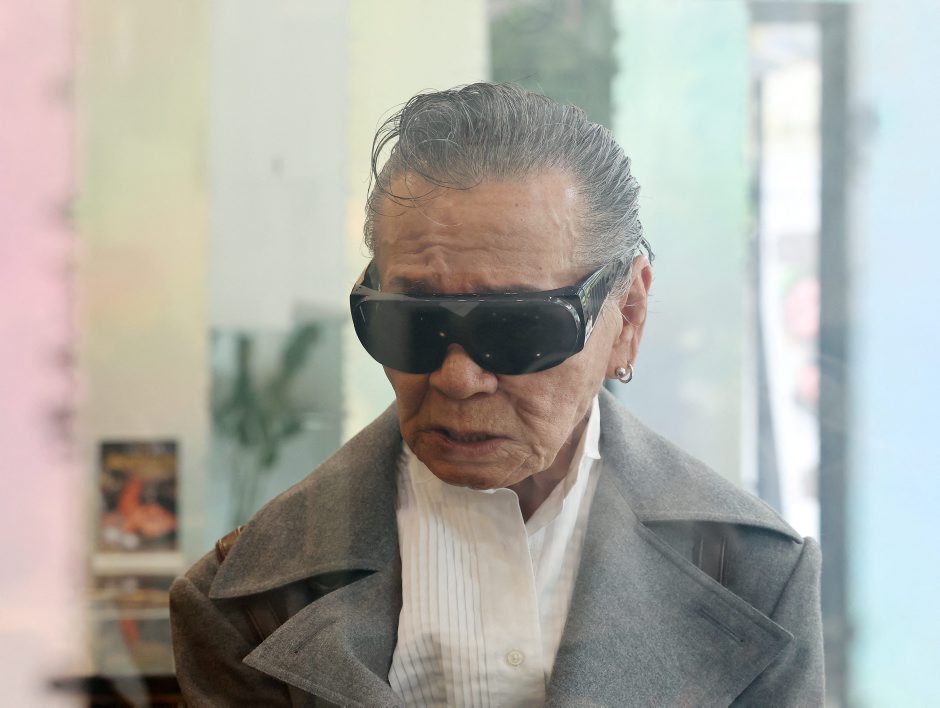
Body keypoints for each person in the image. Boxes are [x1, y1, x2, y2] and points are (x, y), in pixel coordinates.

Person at [170, 83, 823, 706]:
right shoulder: (244, 602)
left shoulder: (755, 575)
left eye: (518, 330)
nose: (458, 378)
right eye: (412, 323)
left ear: (626, 314)